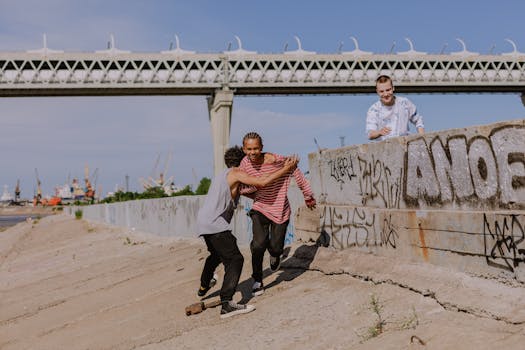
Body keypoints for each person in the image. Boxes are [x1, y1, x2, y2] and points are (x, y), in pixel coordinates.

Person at [197, 145, 299, 319]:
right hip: (216, 225)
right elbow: (262, 182)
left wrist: (265, 199)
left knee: (215, 255)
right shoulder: (237, 172)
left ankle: (204, 285)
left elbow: (248, 193)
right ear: (243, 161)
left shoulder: (223, 176)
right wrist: (286, 168)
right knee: (235, 259)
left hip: (203, 223)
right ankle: (227, 304)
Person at [239, 132, 316, 297]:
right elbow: (242, 188)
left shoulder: (278, 161)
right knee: (258, 245)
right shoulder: (244, 164)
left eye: (256, 148)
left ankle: (275, 255)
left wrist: (308, 195)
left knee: (275, 247)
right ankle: (257, 280)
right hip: (260, 208)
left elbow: (296, 172)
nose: (252, 153)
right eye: (249, 149)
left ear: (262, 148)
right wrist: (257, 188)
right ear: (244, 149)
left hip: (280, 209)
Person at [366, 75, 424, 141]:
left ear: (393, 88)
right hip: (385, 148)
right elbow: (370, 134)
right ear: (377, 92)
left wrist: (422, 139)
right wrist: (379, 132)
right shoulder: (373, 109)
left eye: (388, 90)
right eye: (381, 91)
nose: (385, 94)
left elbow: (418, 120)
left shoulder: (405, 103)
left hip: (405, 145)